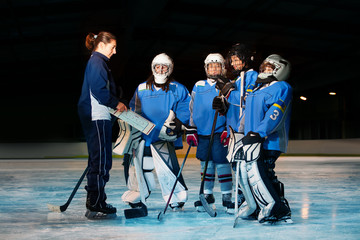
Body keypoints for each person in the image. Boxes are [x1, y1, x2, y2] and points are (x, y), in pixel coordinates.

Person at [121, 53, 191, 215]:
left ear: (169, 69)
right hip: (143, 138)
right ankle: (138, 195)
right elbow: (134, 109)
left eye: (164, 67)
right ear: (153, 68)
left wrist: (178, 124)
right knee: (140, 168)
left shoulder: (178, 88)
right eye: (157, 67)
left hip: (163, 137)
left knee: (168, 168)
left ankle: (176, 197)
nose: (160, 70)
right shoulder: (142, 88)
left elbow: (185, 108)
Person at [235, 54, 293, 224]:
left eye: (269, 68)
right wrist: (239, 132)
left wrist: (260, 133)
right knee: (251, 173)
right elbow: (246, 113)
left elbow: (274, 114)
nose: (264, 70)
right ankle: (258, 206)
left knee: (263, 173)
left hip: (269, 140)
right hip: (252, 139)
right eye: (264, 67)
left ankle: (278, 208)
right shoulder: (256, 88)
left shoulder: (281, 87)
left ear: (280, 70)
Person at [78, 31, 128, 217]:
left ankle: (95, 198)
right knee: (101, 160)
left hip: (100, 115)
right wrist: (116, 103)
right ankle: (96, 201)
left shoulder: (98, 62)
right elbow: (98, 90)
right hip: (97, 116)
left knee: (100, 159)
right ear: (102, 44)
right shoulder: (97, 62)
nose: (115, 51)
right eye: (113, 47)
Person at [212, 43, 259, 209]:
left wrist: (229, 92)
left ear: (247, 59)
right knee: (237, 168)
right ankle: (242, 197)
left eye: (237, 59)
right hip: (233, 131)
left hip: (243, 131)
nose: (234, 63)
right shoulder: (238, 79)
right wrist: (223, 106)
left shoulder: (253, 76)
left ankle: (249, 199)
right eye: (232, 60)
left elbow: (248, 102)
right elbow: (234, 106)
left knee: (245, 168)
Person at [187, 53, 234, 213]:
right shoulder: (198, 85)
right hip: (203, 133)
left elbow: (233, 109)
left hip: (220, 132)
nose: (214, 69)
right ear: (206, 68)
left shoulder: (228, 85)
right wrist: (191, 129)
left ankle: (227, 196)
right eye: (211, 66)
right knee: (206, 164)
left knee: (222, 164)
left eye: (217, 66)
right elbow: (192, 108)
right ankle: (207, 195)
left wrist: (228, 130)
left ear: (222, 68)